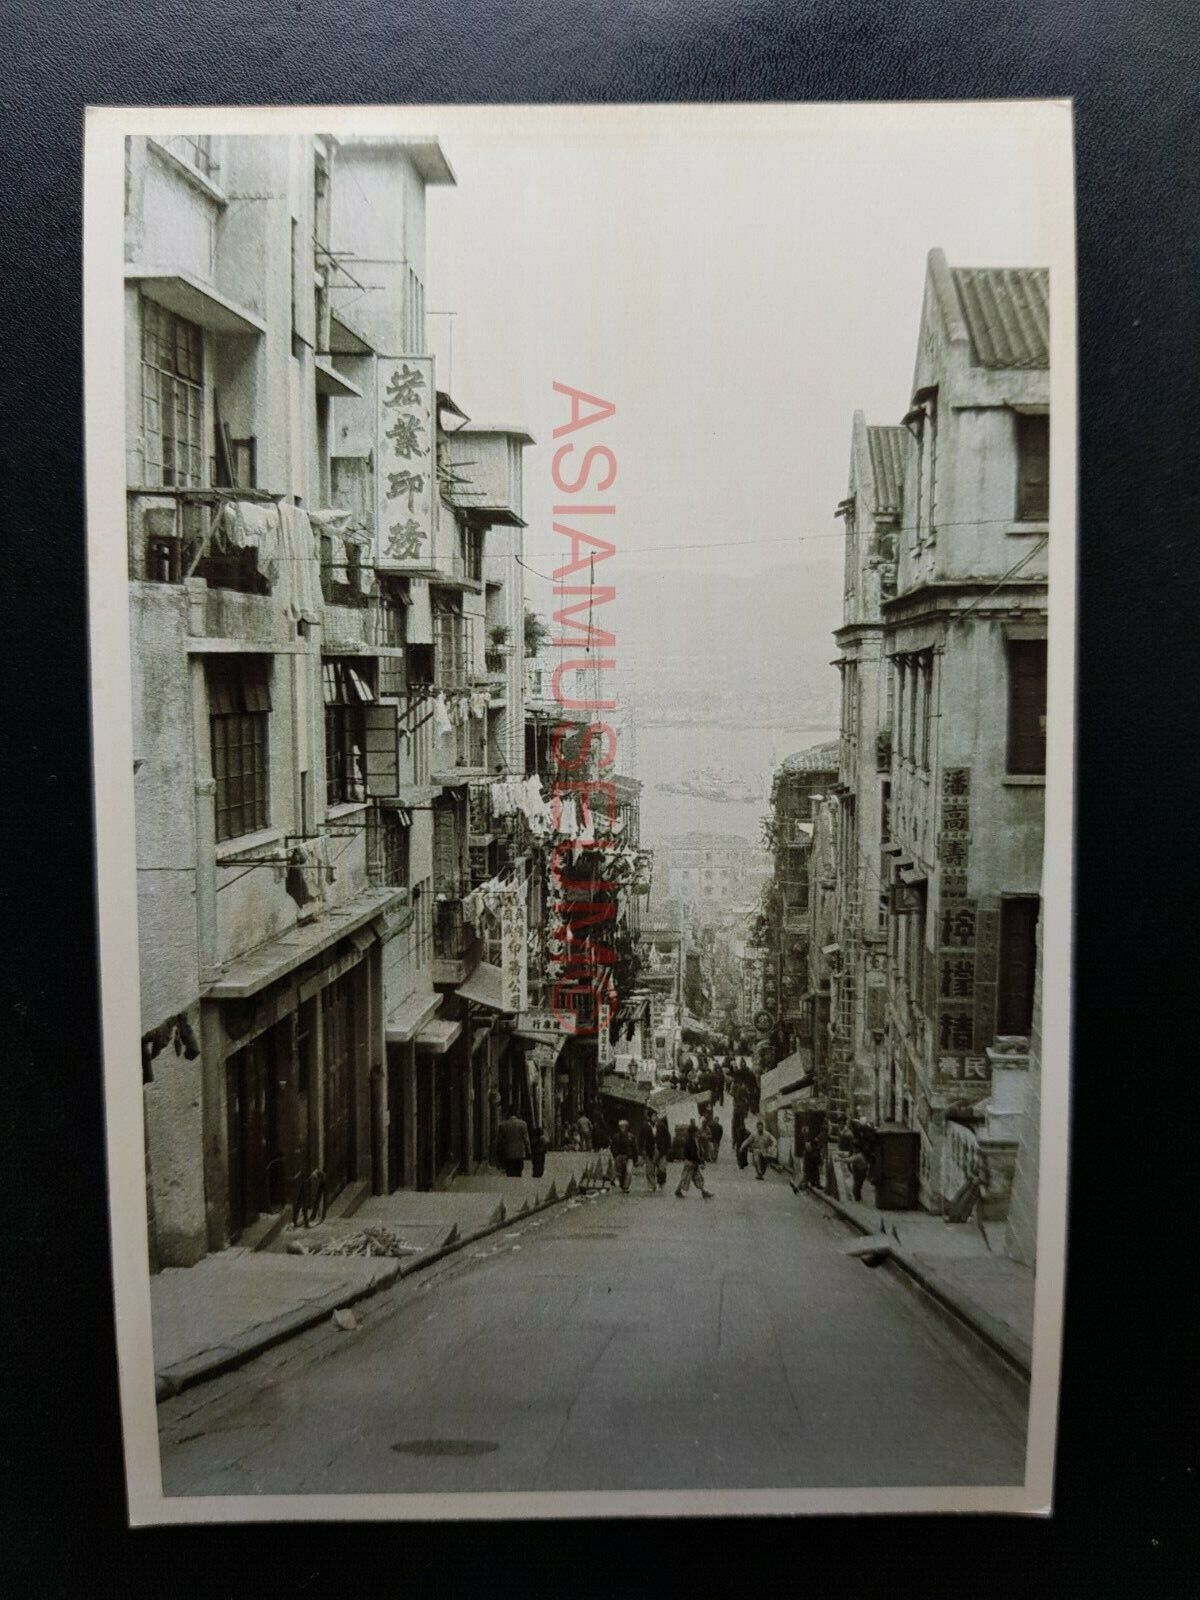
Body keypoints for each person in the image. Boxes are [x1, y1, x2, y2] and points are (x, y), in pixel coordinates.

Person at [675, 1119, 715, 1199]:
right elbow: (693, 1154)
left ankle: (703, 1192)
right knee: (686, 1178)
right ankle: (678, 1191)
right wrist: (700, 1162)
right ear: (693, 1133)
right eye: (696, 1131)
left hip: (693, 1163)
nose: (698, 1133)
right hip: (690, 1163)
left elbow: (698, 1152)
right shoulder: (690, 1141)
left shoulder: (694, 1140)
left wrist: (700, 1160)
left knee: (696, 1178)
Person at [494, 1106, 531, 1177]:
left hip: (508, 1154)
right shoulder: (523, 1124)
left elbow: (499, 1142)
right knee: (518, 1173)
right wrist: (529, 1152)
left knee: (509, 1173)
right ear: (517, 1113)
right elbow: (526, 1140)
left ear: (508, 1114)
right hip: (519, 1154)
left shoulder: (503, 1125)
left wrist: (497, 1155)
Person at [611, 1119, 636, 1194]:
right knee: (620, 1173)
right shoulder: (616, 1136)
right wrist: (615, 1155)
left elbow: (634, 1147)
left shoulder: (631, 1136)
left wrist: (635, 1158)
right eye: (621, 1126)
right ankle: (622, 1185)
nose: (622, 1128)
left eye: (624, 1126)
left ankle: (626, 1187)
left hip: (629, 1157)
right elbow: (613, 1147)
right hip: (619, 1156)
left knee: (629, 1172)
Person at [654, 1110, 672, 1188]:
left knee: (661, 1168)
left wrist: (668, 1148)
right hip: (653, 1150)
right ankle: (658, 1181)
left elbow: (668, 1137)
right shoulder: (648, 1126)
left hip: (662, 1150)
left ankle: (662, 1182)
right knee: (656, 1167)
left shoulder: (662, 1126)